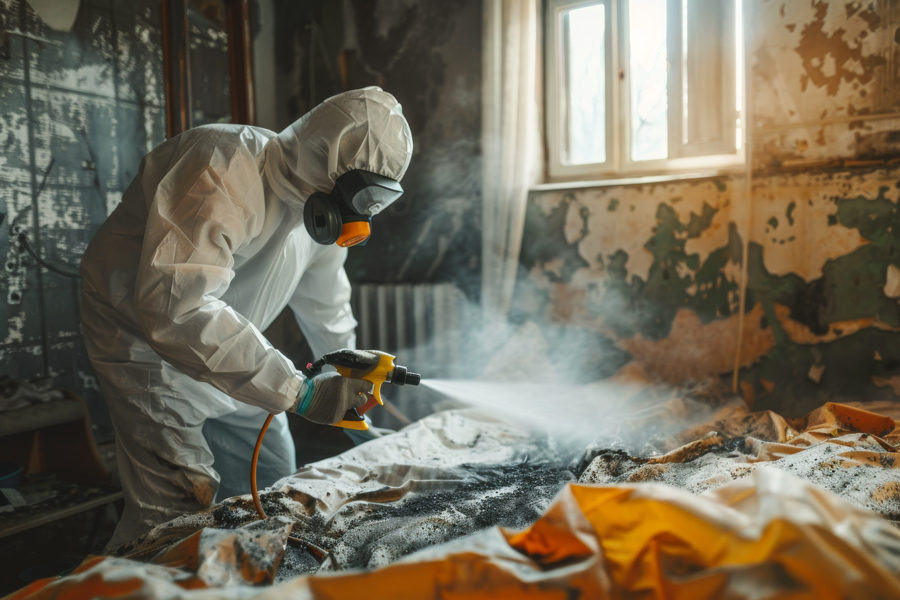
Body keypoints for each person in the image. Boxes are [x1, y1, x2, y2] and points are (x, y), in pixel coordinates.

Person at [79, 87, 413, 550]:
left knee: (276, 489)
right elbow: (177, 307)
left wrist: (346, 366)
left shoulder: (320, 210)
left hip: (235, 346)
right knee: (175, 512)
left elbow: (326, 301)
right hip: (145, 347)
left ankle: (240, 577)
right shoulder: (220, 166)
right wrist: (300, 391)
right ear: (325, 157)